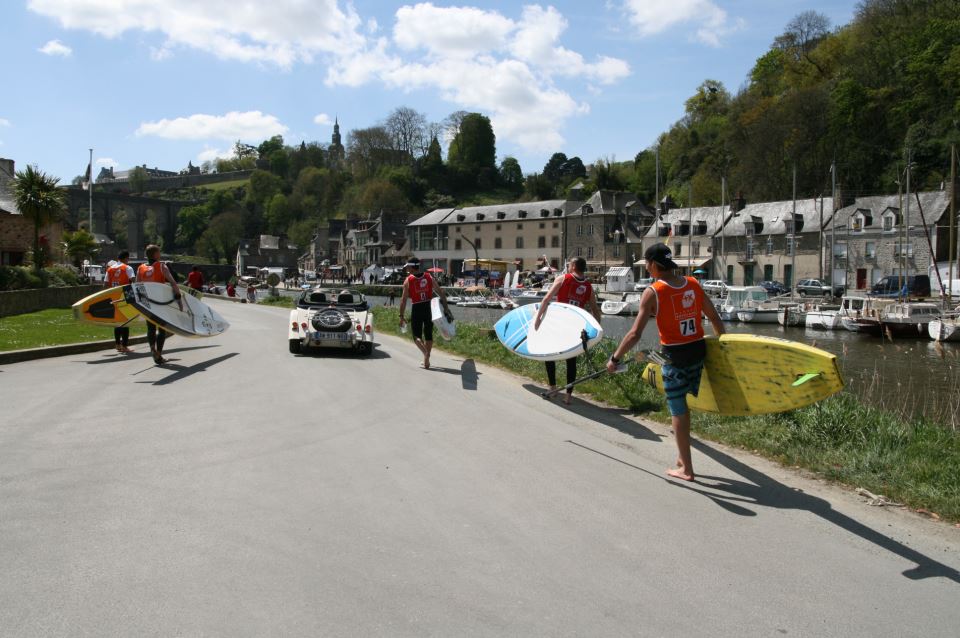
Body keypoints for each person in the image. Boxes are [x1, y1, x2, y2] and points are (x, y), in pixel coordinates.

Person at [606, 243, 725, 482]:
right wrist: (725, 349)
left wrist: (615, 358)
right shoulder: (693, 283)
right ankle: (682, 458)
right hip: (698, 351)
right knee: (684, 406)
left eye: (647, 264)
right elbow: (714, 318)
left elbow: (634, 334)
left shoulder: (654, 291)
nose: (647, 268)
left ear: (653, 264)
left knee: (678, 410)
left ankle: (687, 469)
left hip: (674, 356)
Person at [533, 257, 603, 405]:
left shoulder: (562, 279)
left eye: (570, 264)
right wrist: (597, 331)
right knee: (571, 360)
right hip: (575, 326)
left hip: (559, 323)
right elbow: (596, 311)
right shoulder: (589, 287)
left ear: (573, 267)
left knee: (549, 354)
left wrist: (538, 319)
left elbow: (546, 299)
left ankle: (552, 388)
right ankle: (568, 396)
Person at [398, 257, 452, 370]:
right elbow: (441, 292)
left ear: (412, 267)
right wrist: (446, 308)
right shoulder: (429, 277)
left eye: (408, 267)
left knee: (416, 336)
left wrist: (401, 316)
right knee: (428, 334)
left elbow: (403, 301)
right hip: (429, 307)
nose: (407, 269)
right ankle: (426, 361)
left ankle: (425, 353)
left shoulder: (408, 280)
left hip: (417, 308)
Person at [137, 244, 183, 365]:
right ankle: (159, 355)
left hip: (147, 302)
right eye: (159, 252)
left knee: (150, 328)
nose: (160, 254)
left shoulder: (140, 268)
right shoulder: (162, 266)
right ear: (156, 254)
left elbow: (137, 286)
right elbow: (173, 282)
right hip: (160, 302)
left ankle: (152, 348)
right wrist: (178, 298)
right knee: (162, 329)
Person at [104, 250, 135, 353]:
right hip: (125, 296)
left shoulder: (110, 269)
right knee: (126, 321)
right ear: (126, 258)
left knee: (117, 322)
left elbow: (105, 284)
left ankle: (118, 344)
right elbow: (134, 281)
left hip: (113, 297)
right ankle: (125, 346)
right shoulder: (127, 268)